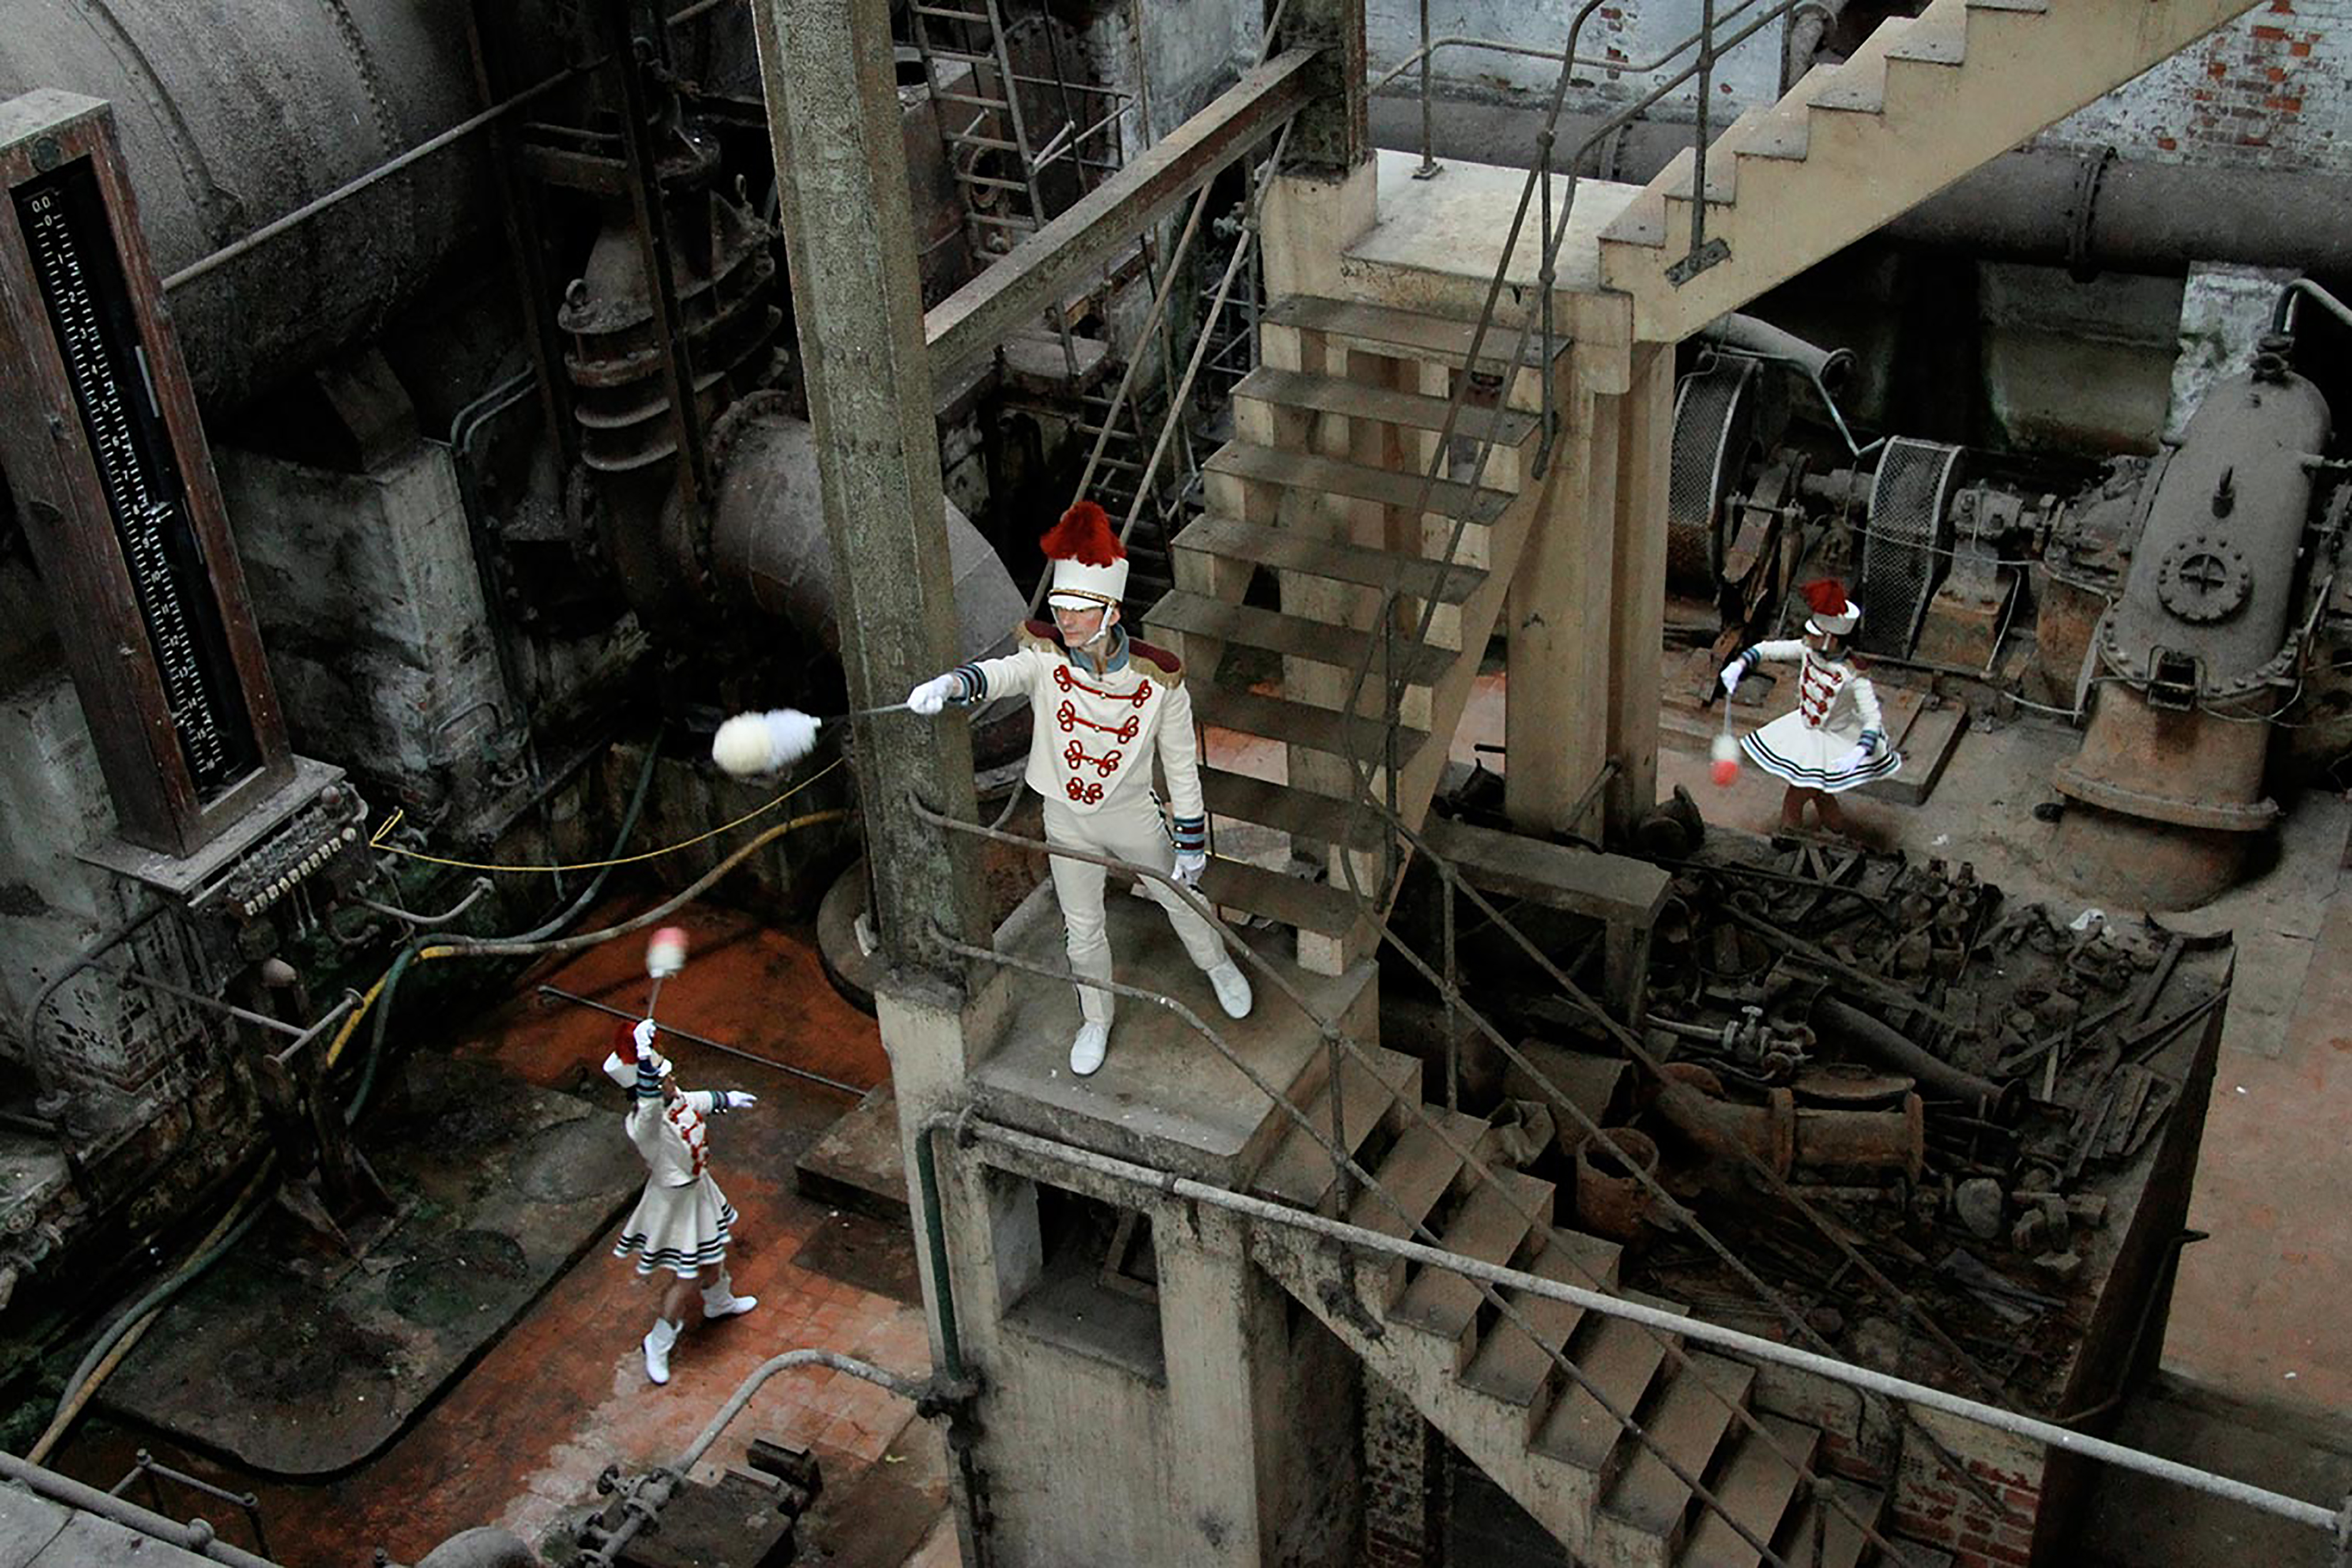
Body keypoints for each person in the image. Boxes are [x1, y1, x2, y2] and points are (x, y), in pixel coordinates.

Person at [906, 500, 1254, 1076]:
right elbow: (1004, 674)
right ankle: (1095, 1016)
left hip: (1130, 813)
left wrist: (1191, 839)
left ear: (1111, 612)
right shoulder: (1044, 660)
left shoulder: (1158, 683)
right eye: (1059, 608)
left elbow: (1181, 767)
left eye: (1077, 611)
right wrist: (953, 684)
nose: (1065, 621)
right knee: (1082, 925)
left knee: (1178, 894)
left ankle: (1215, 963)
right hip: (1064, 814)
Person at [606, 1018, 760, 1385]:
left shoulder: (673, 1100)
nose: (674, 1081)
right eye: (665, 1079)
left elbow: (698, 1101)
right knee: (685, 1278)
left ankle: (719, 1301)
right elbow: (649, 1106)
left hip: (698, 1189)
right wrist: (643, 1058)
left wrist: (727, 1099)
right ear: (652, 1088)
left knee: (714, 1255)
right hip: (675, 1204)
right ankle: (658, 1341)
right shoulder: (646, 1124)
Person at [1719, 579, 1902, 836]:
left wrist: (1860, 751)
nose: (1809, 637)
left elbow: (1872, 718)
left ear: (1831, 639)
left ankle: (1789, 832)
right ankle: (1834, 823)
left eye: (1815, 634)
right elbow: (1769, 649)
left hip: (1834, 736)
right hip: (1806, 727)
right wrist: (1739, 664)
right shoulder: (1808, 649)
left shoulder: (1854, 674)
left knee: (1797, 794)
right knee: (1818, 788)